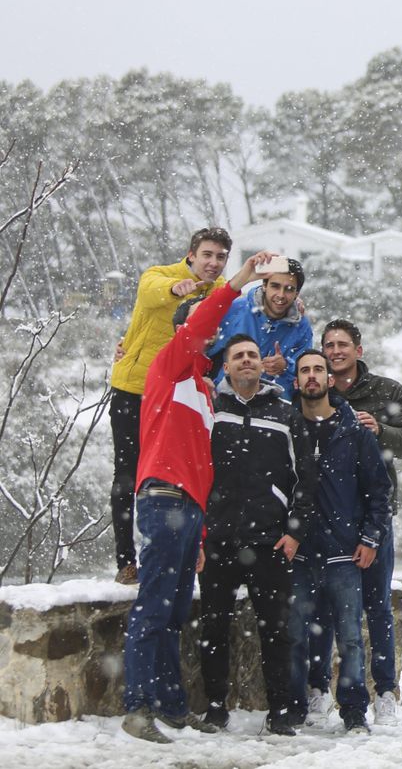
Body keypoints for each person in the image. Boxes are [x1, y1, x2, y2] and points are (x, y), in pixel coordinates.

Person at [120, 249, 275, 744]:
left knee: (171, 611)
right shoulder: (169, 366)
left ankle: (169, 704)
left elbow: (204, 470)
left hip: (189, 509)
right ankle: (137, 707)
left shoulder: (204, 391)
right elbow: (201, 321)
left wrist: (203, 531)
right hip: (163, 499)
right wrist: (242, 279)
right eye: (201, 331)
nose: (208, 336)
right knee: (153, 606)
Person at [197, 333, 319, 735]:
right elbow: (194, 470)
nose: (246, 361)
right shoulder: (210, 409)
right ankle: (215, 709)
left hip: (270, 541)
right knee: (213, 627)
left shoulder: (286, 413)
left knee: (277, 631)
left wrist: (295, 532)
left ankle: (280, 712)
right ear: (226, 366)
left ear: (260, 363)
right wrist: (199, 529)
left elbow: (306, 478)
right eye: (238, 357)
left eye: (252, 355)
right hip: (217, 539)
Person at [308, 319, 402, 725]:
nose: (335, 351)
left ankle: (385, 691)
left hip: (375, 512)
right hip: (324, 515)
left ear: (358, 349)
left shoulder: (386, 391)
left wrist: (381, 430)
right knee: (322, 608)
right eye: (329, 345)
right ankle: (318, 688)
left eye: (343, 344)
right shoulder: (313, 386)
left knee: (376, 607)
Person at [108, 227, 232, 584]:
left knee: (182, 474)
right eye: (206, 255)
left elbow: (238, 316)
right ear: (191, 254)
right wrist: (175, 290)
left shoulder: (221, 291)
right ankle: (125, 560)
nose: (212, 263)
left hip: (179, 399)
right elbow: (149, 293)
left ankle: (184, 549)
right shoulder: (160, 275)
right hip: (135, 389)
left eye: (220, 257)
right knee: (128, 473)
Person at [286, 349, 392, 734]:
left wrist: (369, 538)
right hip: (299, 553)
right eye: (305, 371)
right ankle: (296, 709)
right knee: (296, 635)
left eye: (319, 370)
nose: (312, 376)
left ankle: (353, 714)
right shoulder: (288, 428)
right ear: (296, 381)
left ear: (331, 379)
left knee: (349, 638)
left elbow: (379, 492)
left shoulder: (354, 432)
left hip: (344, 553)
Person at [208, 258, 313, 397]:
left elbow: (306, 373)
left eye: (289, 289)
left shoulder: (302, 328)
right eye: (275, 286)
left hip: (273, 408)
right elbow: (205, 351)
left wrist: (286, 367)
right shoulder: (236, 309)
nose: (281, 295)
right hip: (226, 399)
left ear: (296, 294)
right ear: (264, 285)